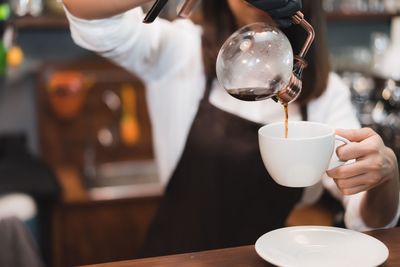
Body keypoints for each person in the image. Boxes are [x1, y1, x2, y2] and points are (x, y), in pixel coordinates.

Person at [62, 0, 400, 257]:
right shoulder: (180, 51)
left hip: (263, 260)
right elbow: (85, 13)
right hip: (175, 259)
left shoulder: (326, 94)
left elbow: (367, 220)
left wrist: (386, 176)